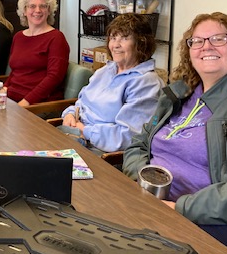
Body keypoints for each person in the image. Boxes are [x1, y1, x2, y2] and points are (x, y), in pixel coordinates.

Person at [123, 12, 227, 254]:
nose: (207, 46)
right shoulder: (181, 92)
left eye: (218, 38)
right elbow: (138, 145)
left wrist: (181, 207)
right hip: (153, 201)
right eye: (198, 41)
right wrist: (147, 183)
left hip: (212, 219)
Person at [60, 13, 163, 153]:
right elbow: (81, 102)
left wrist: (85, 131)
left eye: (124, 38)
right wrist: (70, 114)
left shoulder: (146, 83)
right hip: (74, 132)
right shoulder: (106, 70)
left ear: (141, 43)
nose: (115, 45)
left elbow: (127, 136)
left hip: (98, 149)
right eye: (113, 38)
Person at [4, 0, 69, 106]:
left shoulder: (56, 38)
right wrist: (4, 89)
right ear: (24, 10)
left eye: (43, 6)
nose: (37, 10)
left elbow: (54, 78)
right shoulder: (18, 37)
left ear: (49, 10)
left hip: (39, 105)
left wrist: (25, 102)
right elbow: (15, 72)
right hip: (12, 100)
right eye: (32, 6)